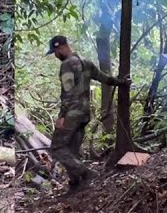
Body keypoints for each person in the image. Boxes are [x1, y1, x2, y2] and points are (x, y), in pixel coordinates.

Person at [44, 35, 128, 192]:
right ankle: (76, 185)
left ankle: (87, 173)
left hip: (72, 114)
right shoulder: (86, 63)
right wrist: (122, 82)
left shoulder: (68, 65)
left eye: (55, 52)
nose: (55, 56)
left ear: (60, 47)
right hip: (84, 114)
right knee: (72, 149)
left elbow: (67, 92)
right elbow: (106, 79)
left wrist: (62, 116)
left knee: (57, 147)